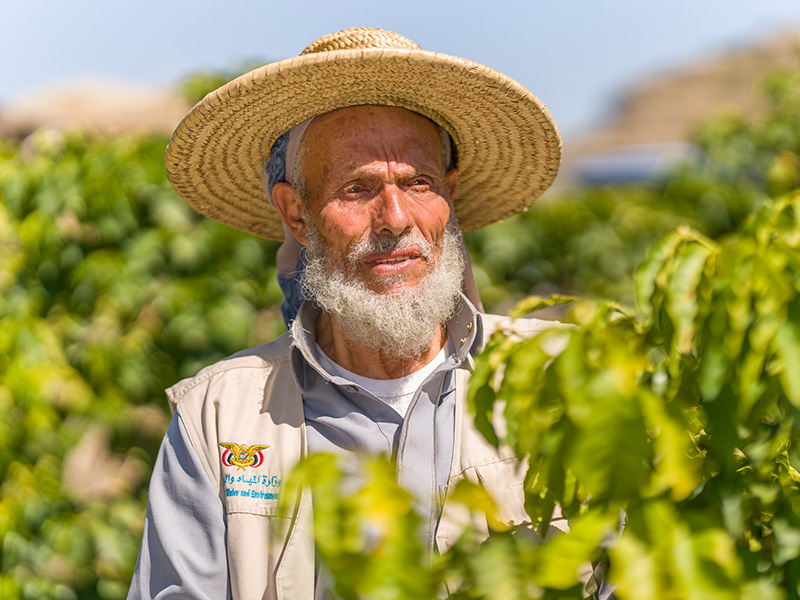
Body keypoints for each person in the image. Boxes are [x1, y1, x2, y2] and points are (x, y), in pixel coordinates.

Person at [128, 27, 578, 600]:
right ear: (296, 213)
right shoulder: (218, 418)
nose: (395, 217)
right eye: (356, 189)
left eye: (418, 182)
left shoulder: (561, 379)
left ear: (450, 197)